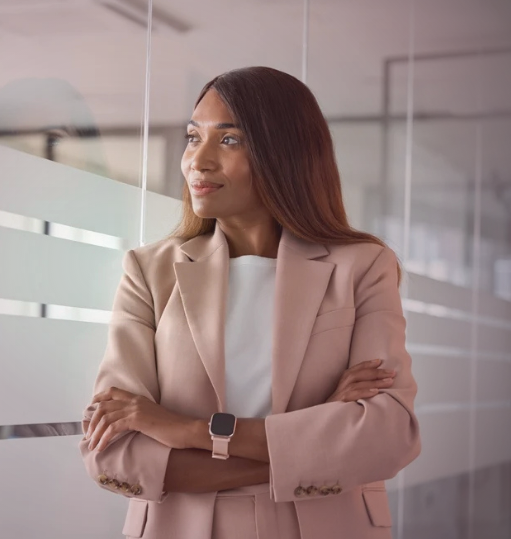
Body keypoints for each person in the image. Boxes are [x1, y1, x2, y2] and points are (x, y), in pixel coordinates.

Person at [77, 66, 422, 539]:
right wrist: (314, 434)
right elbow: (112, 453)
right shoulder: (148, 271)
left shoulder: (362, 266)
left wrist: (188, 431)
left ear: (284, 154)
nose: (199, 160)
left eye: (230, 141)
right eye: (193, 137)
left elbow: (387, 437)